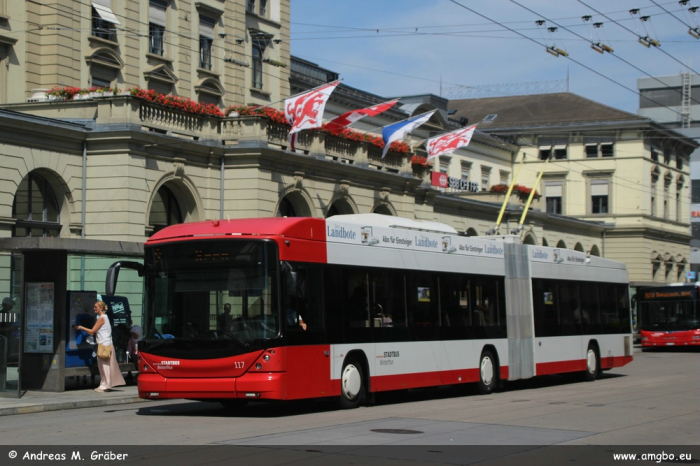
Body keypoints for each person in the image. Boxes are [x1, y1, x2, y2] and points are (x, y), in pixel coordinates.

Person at [75, 301, 125, 392]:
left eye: (96, 307)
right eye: (94, 307)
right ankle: (103, 383)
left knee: (104, 365)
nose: (94, 308)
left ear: (101, 308)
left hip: (104, 344)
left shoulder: (101, 318)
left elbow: (92, 331)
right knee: (103, 365)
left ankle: (106, 384)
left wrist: (80, 327)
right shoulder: (105, 317)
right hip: (105, 343)